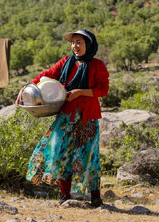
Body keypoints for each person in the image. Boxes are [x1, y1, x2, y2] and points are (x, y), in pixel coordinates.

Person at [16, 30, 109, 207]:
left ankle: (95, 196)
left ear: (88, 45)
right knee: (59, 151)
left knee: (89, 155)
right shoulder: (66, 62)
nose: (75, 46)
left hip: (87, 118)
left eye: (79, 42)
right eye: (73, 42)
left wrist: (81, 92)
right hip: (66, 115)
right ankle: (65, 195)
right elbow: (47, 75)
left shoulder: (98, 66)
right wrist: (27, 87)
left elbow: (103, 90)